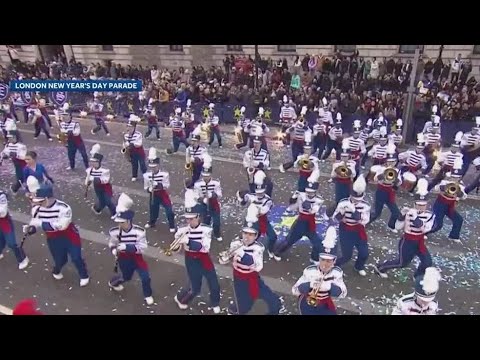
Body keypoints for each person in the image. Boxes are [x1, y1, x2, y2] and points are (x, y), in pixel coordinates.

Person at [219, 203, 283, 315]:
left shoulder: (258, 248)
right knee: (243, 306)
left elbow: (258, 267)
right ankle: (234, 310)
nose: (247, 237)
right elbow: (226, 260)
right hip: (239, 279)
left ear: (255, 236)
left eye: (250, 234)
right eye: (245, 233)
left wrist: (242, 253)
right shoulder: (235, 243)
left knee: (273, 301)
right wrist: (224, 259)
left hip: (253, 277)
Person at [22, 181, 89, 286]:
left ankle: (84, 275)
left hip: (69, 236)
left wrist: (40, 223)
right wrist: (29, 229)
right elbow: (34, 224)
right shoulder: (36, 209)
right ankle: (56, 270)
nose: (39, 204)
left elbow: (61, 226)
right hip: (53, 239)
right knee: (60, 260)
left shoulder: (64, 208)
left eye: (41, 201)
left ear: (48, 198)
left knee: (76, 257)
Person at [373, 178, 435, 278]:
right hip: (407, 241)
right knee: (402, 263)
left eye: (423, 205)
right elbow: (397, 227)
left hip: (419, 241)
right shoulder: (409, 212)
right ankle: (381, 267)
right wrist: (402, 215)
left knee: (427, 262)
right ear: (414, 204)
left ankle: (418, 276)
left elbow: (425, 229)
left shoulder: (429, 215)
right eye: (418, 205)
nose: (421, 208)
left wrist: (415, 218)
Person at [173, 190, 221, 314]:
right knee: (195, 288)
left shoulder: (206, 230)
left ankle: (215, 302)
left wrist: (188, 241)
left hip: (204, 258)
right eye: (187, 219)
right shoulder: (182, 229)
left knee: (214, 283)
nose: (189, 222)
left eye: (192, 219)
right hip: (190, 259)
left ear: (198, 217)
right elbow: (176, 249)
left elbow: (205, 247)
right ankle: (180, 298)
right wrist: (177, 245)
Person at [108, 193, 154, 305]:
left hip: (137, 258)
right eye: (118, 222)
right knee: (126, 277)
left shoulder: (139, 232)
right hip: (123, 259)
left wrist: (127, 247)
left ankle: (147, 294)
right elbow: (112, 243)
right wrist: (114, 250)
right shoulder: (114, 232)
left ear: (129, 221)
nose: (119, 225)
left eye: (122, 222)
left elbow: (143, 248)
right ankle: (113, 282)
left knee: (145, 277)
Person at [292, 226, 347, 315]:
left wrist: (329, 287)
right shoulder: (310, 271)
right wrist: (309, 285)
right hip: (307, 303)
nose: (325, 264)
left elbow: (343, 293)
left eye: (329, 261)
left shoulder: (337, 273)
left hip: (325, 303)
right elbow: (295, 290)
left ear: (334, 261)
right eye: (323, 260)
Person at [332, 175, 371, 276]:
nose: (355, 201)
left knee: (364, 253)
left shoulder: (365, 206)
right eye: (354, 199)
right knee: (347, 255)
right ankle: (334, 265)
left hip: (358, 230)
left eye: (358, 200)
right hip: (345, 230)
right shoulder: (343, 203)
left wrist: (354, 210)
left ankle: (359, 266)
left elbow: (364, 220)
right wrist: (342, 213)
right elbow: (335, 218)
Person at [194, 154, 223, 241]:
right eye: (204, 175)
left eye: (207, 175)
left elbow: (219, 194)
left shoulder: (216, 183)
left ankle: (217, 233)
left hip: (214, 204)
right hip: (204, 204)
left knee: (216, 222)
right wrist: (203, 199)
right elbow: (196, 196)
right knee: (205, 221)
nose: (206, 177)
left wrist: (212, 195)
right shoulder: (198, 184)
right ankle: (206, 235)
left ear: (210, 174)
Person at [0, 190, 29, 269]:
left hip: (4, 223)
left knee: (11, 243)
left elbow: (3, 212)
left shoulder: (1, 195)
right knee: (1, 239)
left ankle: (23, 258)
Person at [85, 144, 116, 217]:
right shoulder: (90, 170)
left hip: (105, 187)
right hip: (97, 188)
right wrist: (87, 182)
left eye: (95, 162)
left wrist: (97, 179)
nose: (93, 164)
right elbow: (88, 177)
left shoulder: (104, 171)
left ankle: (114, 213)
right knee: (102, 199)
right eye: (92, 162)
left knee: (108, 201)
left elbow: (106, 180)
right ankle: (97, 208)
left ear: (98, 162)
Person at [58, 105, 89, 170]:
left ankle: (87, 167)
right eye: (63, 115)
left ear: (70, 115)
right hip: (70, 142)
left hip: (78, 142)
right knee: (71, 156)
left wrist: (69, 132)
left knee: (84, 154)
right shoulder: (61, 124)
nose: (64, 116)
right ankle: (72, 166)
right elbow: (62, 132)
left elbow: (77, 133)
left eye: (66, 115)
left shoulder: (75, 123)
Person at [1, 123, 27, 194]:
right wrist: (4, 156)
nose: (9, 139)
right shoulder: (9, 145)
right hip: (17, 165)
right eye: (9, 138)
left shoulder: (21, 146)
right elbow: (5, 152)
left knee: (26, 177)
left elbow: (23, 157)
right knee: (20, 178)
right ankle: (14, 189)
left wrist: (15, 155)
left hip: (24, 164)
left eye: (11, 137)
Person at [122, 115, 147, 182]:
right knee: (134, 164)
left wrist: (130, 144)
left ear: (134, 127)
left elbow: (139, 144)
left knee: (142, 164)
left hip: (139, 152)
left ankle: (145, 175)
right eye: (128, 127)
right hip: (132, 153)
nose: (129, 128)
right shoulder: (126, 135)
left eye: (130, 127)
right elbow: (124, 144)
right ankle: (134, 176)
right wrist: (125, 148)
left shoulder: (138, 134)